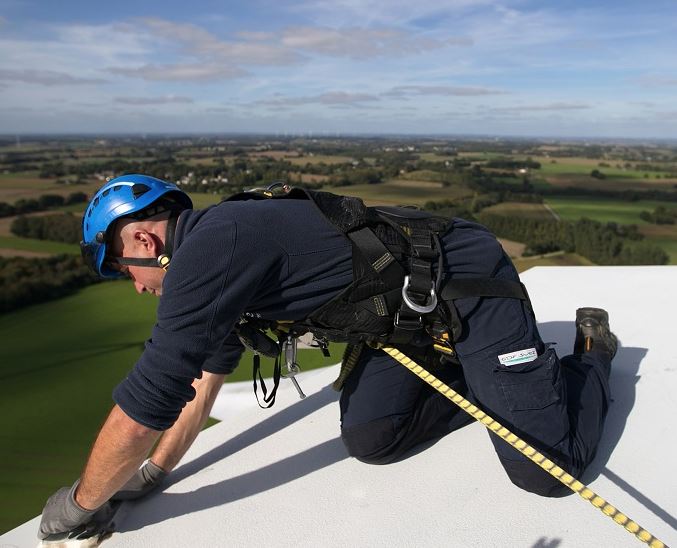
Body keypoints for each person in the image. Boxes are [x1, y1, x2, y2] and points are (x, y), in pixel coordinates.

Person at [38, 174, 617, 540]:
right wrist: (152, 473)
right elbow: (201, 381)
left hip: (465, 281)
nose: (136, 287)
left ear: (144, 242)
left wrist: (81, 502)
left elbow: (149, 398)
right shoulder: (213, 256)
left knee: (545, 469)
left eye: (123, 272)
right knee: (374, 438)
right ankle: (478, 375)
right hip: (409, 319)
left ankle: (588, 353)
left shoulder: (212, 249)